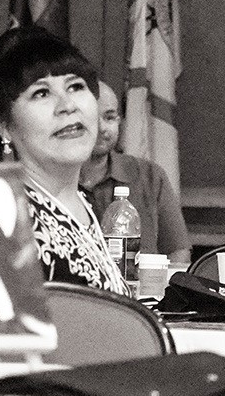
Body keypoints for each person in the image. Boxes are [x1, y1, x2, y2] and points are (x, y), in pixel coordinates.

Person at [0, 27, 129, 295]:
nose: (67, 105)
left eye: (75, 86)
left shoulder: (84, 202)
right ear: (3, 126)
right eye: (41, 93)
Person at [80, 81, 192, 264]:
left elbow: (178, 252)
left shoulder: (149, 176)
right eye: (91, 118)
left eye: (109, 117)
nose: (102, 128)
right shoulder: (50, 178)